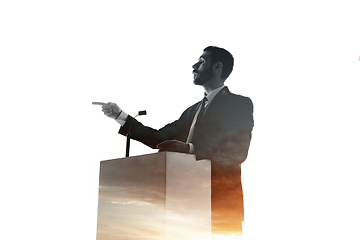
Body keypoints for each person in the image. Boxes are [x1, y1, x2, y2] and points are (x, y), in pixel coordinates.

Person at [99, 46, 254, 236]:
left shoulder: (239, 104)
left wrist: (189, 149)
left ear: (218, 67)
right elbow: (159, 138)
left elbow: (237, 151)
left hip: (220, 205)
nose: (194, 66)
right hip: (185, 207)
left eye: (202, 61)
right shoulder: (192, 111)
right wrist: (120, 116)